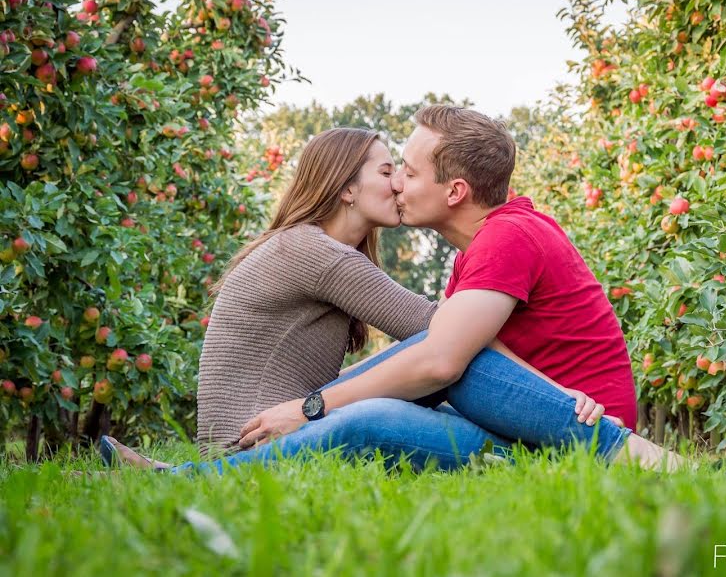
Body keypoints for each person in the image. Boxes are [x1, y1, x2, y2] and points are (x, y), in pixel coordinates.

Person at [104, 107, 688, 474]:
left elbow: (440, 353)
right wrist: (555, 392)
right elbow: (440, 347)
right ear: (345, 190)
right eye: (389, 170)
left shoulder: (505, 237)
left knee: (437, 359)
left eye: (405, 169)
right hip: (254, 434)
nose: (400, 182)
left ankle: (630, 452)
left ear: (454, 190)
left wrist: (561, 397)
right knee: (435, 358)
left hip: (560, 429)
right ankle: (629, 450)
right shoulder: (320, 251)